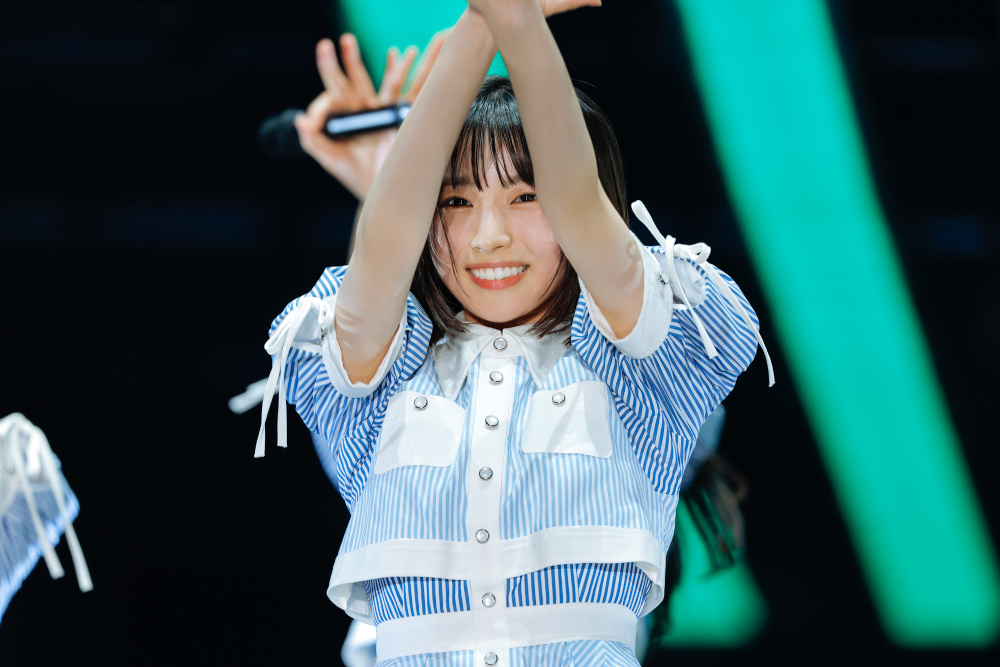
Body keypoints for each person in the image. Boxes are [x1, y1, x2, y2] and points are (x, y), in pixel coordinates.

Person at [255, 1, 772, 664]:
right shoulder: (383, 376)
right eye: (455, 200)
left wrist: (513, 22)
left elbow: (580, 208)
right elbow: (385, 262)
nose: (489, 235)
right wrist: (480, 26)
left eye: (527, 196)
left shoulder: (635, 368)